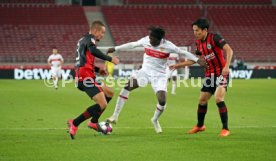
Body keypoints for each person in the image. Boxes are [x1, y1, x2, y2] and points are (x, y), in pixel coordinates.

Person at [106, 26, 206, 133]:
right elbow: (132, 44)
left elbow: (183, 52)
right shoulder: (146, 40)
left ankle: (155, 119)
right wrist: (115, 48)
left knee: (162, 101)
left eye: (153, 39)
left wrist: (196, 59)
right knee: (127, 87)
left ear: (159, 39)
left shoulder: (168, 46)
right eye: (150, 38)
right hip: (145, 72)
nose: (150, 40)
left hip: (159, 75)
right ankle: (115, 116)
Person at [170, 18, 233, 137]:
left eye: (197, 30)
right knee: (202, 100)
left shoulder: (215, 38)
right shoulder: (198, 43)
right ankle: (200, 125)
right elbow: (196, 60)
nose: (195, 33)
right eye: (193, 30)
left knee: (219, 98)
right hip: (210, 74)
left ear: (204, 30)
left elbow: (229, 50)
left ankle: (225, 128)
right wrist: (178, 65)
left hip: (221, 73)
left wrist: (227, 67)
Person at [67, 20, 119, 139]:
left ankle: (94, 121)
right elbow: (93, 51)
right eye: (102, 32)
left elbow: (83, 60)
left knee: (109, 93)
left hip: (88, 74)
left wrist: (97, 69)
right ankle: (75, 123)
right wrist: (110, 59)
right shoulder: (90, 39)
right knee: (102, 104)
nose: (102, 35)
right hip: (84, 77)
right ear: (95, 30)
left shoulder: (83, 40)